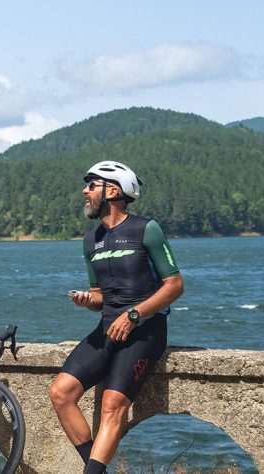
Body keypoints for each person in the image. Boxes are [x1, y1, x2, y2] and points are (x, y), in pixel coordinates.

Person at [48, 161, 185, 474]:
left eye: (92, 185)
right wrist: (88, 300)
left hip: (145, 331)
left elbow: (175, 285)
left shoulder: (146, 229)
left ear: (113, 191)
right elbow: (100, 296)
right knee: (61, 393)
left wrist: (134, 315)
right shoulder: (90, 240)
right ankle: (96, 470)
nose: (85, 191)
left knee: (113, 404)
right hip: (107, 328)